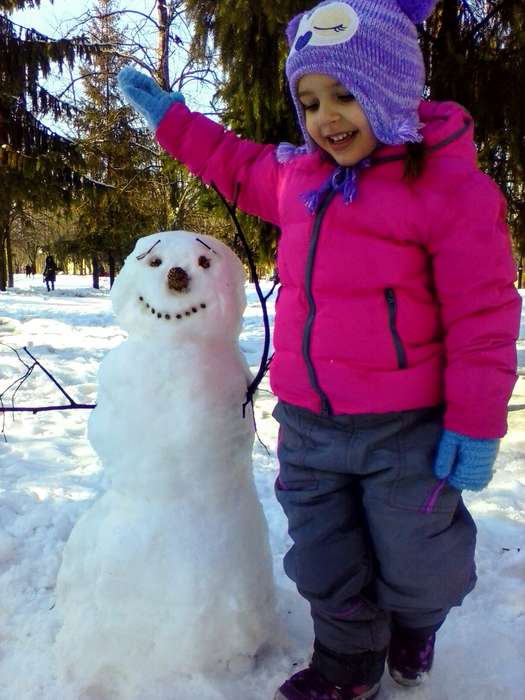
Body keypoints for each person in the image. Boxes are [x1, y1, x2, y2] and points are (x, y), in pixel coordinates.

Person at [118, 1, 521, 698]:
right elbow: (234, 164)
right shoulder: (300, 179)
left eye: (344, 94)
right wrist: (173, 122)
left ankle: (414, 623)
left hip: (408, 429)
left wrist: (474, 421)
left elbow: (482, 316)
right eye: (308, 101)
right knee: (323, 557)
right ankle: (346, 661)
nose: (324, 118)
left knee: (420, 559)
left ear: (393, 88)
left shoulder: (449, 190)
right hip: (307, 423)